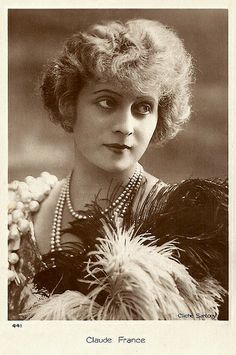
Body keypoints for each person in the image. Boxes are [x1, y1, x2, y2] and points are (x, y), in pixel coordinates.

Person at [8, 18, 228, 320]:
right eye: (107, 103)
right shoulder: (18, 213)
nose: (126, 127)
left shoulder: (176, 223)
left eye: (143, 108)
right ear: (69, 104)